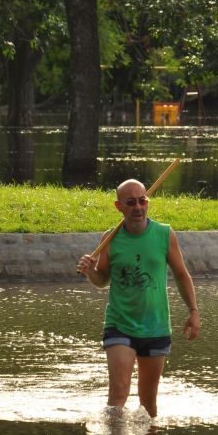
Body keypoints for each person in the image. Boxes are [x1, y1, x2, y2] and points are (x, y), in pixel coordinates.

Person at [76, 179, 200, 418]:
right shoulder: (109, 239)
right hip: (120, 324)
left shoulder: (164, 234)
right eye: (130, 202)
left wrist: (194, 311)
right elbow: (103, 281)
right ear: (118, 206)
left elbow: (182, 275)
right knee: (118, 396)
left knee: (148, 405)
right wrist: (90, 271)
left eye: (142, 201)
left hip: (156, 326)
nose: (138, 207)